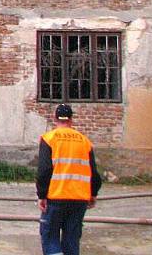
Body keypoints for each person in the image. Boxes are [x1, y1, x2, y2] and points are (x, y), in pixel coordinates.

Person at [36, 103, 102, 255]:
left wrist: (42, 195)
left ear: (55, 118)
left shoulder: (49, 138)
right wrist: (93, 194)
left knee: (50, 237)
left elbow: (44, 171)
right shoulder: (84, 141)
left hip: (56, 198)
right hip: (79, 199)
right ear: (71, 119)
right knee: (72, 239)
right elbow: (94, 173)